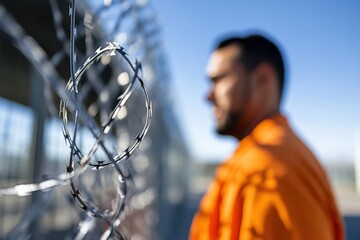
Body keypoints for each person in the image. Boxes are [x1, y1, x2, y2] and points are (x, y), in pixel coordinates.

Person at [189, 34, 344, 240]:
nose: (208, 96)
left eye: (218, 79)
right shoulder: (261, 153)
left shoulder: (270, 165)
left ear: (262, 80)